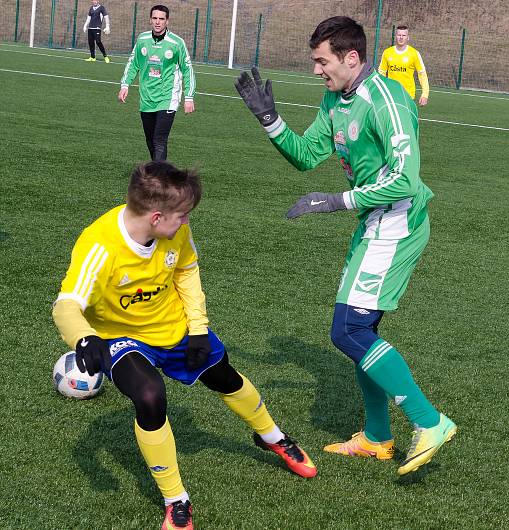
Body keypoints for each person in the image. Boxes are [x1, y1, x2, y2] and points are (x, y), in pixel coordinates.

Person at [234, 16, 456, 476]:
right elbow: (305, 155)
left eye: (323, 61)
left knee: (348, 331)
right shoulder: (336, 99)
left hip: (397, 221)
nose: (317, 70)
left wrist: (336, 200)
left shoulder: (387, 101)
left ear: (351, 57)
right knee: (360, 332)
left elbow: (404, 180)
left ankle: (430, 421)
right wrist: (270, 120)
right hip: (373, 221)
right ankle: (377, 437)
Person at [52, 161, 317, 530]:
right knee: (149, 395)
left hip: (173, 326)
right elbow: (67, 303)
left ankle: (273, 438)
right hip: (120, 337)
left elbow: (187, 271)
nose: (187, 223)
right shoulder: (98, 244)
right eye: (183, 216)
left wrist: (197, 329)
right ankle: (176, 500)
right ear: (157, 217)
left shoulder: (175, 232)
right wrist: (84, 336)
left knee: (224, 377)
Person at [119, 5, 195, 161]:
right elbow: (133, 63)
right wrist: (125, 85)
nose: (158, 22)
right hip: (146, 98)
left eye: (161, 19)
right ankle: (162, 173)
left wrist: (189, 97)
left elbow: (188, 70)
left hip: (167, 98)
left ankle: (158, 179)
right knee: (150, 141)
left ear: (167, 21)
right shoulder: (142, 39)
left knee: (159, 140)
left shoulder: (176, 43)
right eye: (155, 18)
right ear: (150, 20)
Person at [378, 25, 430, 106]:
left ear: (408, 37)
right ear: (395, 37)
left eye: (404, 35)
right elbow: (381, 74)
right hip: (391, 94)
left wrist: (425, 94)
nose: (401, 37)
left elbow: (422, 74)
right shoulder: (387, 53)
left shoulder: (414, 54)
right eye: (399, 35)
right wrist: (380, 91)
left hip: (408, 95)